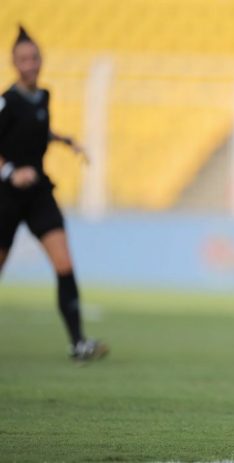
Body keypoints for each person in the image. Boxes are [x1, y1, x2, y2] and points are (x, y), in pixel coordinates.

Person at [0, 26, 107, 361]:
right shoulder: (6, 101)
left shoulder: (43, 96)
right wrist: (10, 172)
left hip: (38, 193)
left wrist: (64, 141)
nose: (30, 64)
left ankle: (78, 343)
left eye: (34, 58)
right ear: (14, 63)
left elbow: (37, 129)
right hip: (6, 195)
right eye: (23, 59)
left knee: (64, 263)